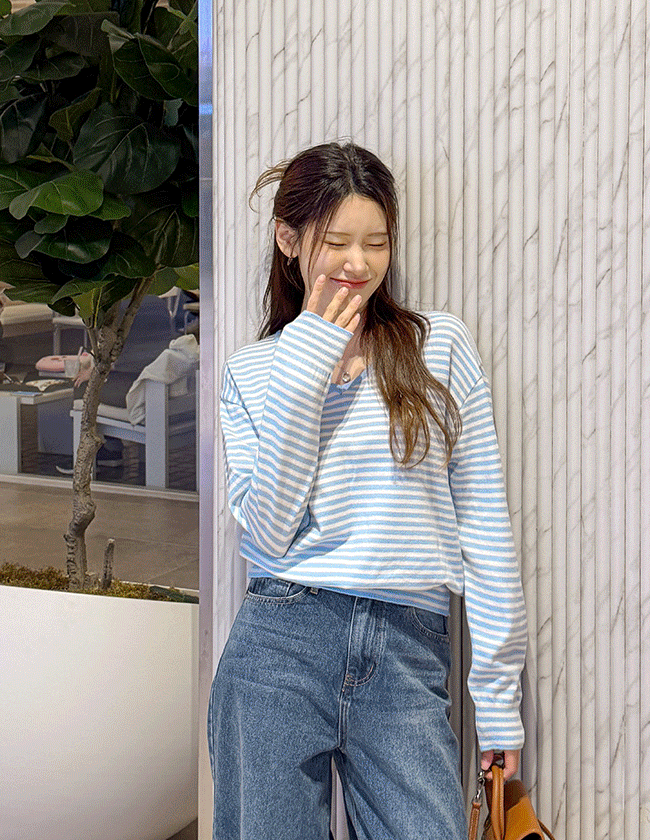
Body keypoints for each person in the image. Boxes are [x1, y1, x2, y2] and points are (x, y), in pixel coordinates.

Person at [208, 142, 527, 840]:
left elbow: (485, 528)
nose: (358, 262)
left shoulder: (439, 346)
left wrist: (498, 701)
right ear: (288, 239)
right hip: (279, 641)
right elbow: (268, 532)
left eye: (376, 242)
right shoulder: (252, 372)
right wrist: (306, 361)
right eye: (337, 242)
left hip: (407, 648)